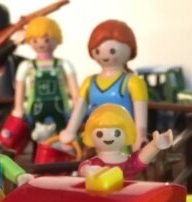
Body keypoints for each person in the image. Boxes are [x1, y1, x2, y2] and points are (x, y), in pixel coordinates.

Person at [59, 20, 147, 151]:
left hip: (121, 139)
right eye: (98, 50)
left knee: (121, 162)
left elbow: (140, 113)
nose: (105, 55)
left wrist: (140, 136)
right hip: (95, 138)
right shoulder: (89, 81)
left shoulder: (133, 82)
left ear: (130, 48)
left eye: (112, 51)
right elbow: (79, 109)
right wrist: (70, 131)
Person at [12, 17, 77, 132]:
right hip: (35, 109)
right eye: (35, 40)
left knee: (62, 133)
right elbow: (20, 88)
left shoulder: (63, 64)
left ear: (56, 39)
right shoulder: (27, 66)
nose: (41, 44)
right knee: (34, 134)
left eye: (46, 40)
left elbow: (74, 88)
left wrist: (77, 105)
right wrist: (18, 108)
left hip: (60, 109)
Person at [76, 103, 171, 180]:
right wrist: (87, 170)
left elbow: (142, 157)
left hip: (128, 196)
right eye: (100, 134)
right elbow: (83, 168)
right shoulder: (94, 163)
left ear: (127, 132)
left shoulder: (130, 162)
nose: (108, 137)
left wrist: (155, 145)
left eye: (116, 133)